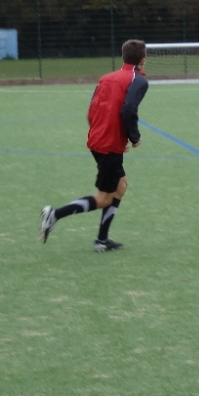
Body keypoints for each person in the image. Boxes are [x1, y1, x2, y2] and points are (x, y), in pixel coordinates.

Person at [40, 39, 149, 251]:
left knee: (120, 186)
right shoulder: (139, 81)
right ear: (143, 60)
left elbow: (92, 110)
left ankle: (102, 240)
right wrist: (133, 137)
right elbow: (128, 110)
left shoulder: (106, 78)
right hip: (109, 144)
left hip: (98, 139)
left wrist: (103, 133)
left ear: (123, 56)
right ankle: (54, 215)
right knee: (104, 198)